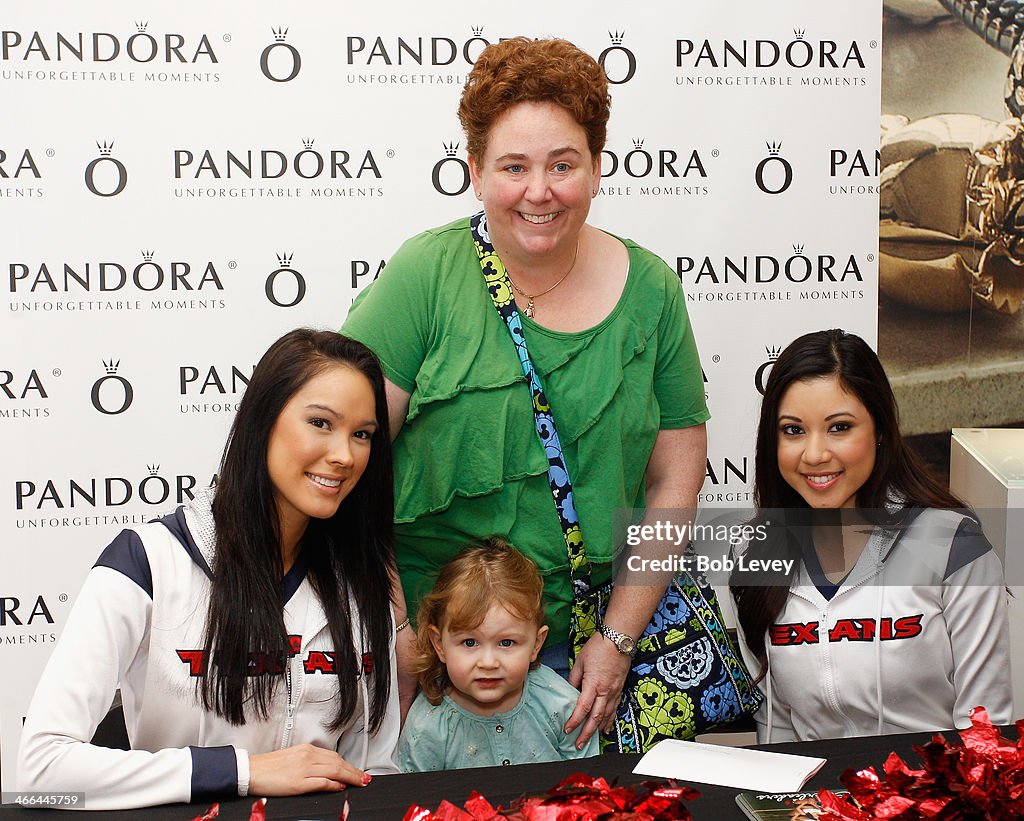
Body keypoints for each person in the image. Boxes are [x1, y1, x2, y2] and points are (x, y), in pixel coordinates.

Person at [342, 37, 708, 750]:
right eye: (514, 166)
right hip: (439, 654)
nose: (539, 191)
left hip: (587, 654)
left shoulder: (654, 290)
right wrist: (401, 630)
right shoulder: (424, 274)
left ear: (597, 169)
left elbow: (674, 476)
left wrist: (619, 638)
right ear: (476, 171)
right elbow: (350, 461)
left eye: (563, 165)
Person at [18, 329, 400, 810]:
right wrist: (243, 772)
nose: (345, 455)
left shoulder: (360, 587)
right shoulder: (147, 562)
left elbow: (375, 772)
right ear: (261, 421)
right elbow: (42, 766)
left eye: (362, 434)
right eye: (321, 423)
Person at [730, 329, 1012, 743]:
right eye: (793, 430)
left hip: (932, 799)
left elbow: (986, 731)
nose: (814, 454)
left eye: (839, 427)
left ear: (879, 429)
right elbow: (779, 730)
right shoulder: (755, 553)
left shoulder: (954, 547)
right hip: (814, 803)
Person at [398, 538, 600, 770]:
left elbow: (586, 782)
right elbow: (415, 797)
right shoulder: (428, 726)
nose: (488, 662)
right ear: (439, 644)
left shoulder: (559, 704)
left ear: (536, 644)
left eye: (506, 642)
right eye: (470, 642)